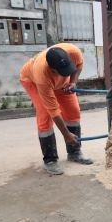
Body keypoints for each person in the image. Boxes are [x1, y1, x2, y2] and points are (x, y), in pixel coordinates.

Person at [20, 43, 93, 175]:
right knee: (45, 114)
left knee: (73, 110)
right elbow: (53, 110)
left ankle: (74, 152)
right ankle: (50, 160)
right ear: (53, 69)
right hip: (32, 81)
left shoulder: (74, 52)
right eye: (63, 72)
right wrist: (66, 134)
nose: (67, 73)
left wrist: (73, 82)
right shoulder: (42, 74)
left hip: (60, 83)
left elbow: (79, 66)